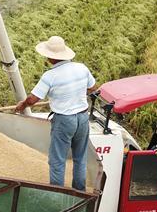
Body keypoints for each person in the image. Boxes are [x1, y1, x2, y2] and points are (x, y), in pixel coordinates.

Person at [14, 36, 97, 190]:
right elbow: (92, 87)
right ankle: (79, 191)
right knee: (80, 158)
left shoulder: (50, 76)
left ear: (52, 57)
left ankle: (57, 193)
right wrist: (75, 92)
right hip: (82, 118)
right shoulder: (81, 68)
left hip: (64, 120)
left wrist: (22, 104)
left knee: (58, 159)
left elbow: (33, 99)